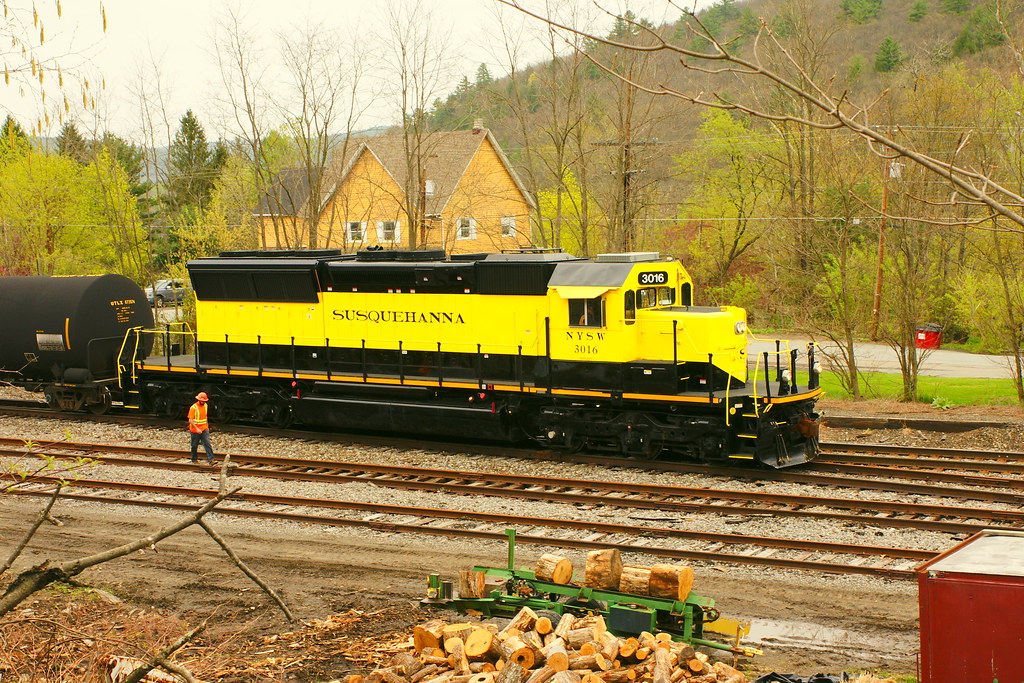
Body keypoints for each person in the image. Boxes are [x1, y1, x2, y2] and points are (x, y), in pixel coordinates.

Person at [188, 392, 216, 465]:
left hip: (204, 429)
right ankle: (194, 460)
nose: (203, 402)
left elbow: (205, 417)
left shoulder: (205, 406)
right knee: (194, 445)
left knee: (207, 443)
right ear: (198, 400)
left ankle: (211, 460)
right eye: (202, 401)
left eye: (204, 401)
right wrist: (196, 429)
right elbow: (190, 420)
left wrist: (207, 426)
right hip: (195, 430)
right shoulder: (193, 408)